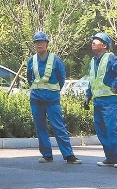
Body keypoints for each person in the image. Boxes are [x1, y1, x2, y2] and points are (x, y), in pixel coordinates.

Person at [26, 31, 80, 164]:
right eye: (36, 42)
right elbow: (29, 78)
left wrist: (53, 91)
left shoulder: (55, 59)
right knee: (40, 128)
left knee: (59, 127)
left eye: (41, 42)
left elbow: (61, 78)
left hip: (52, 100)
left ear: (46, 44)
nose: (39, 44)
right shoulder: (31, 60)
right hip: (36, 100)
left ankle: (69, 155)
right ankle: (46, 155)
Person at [84, 31, 117, 168]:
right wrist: (87, 96)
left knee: (111, 129)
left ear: (104, 45)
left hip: (110, 100)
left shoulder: (111, 58)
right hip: (98, 101)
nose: (93, 42)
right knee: (101, 131)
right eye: (93, 40)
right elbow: (92, 81)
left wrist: (116, 85)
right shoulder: (93, 61)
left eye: (96, 40)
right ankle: (110, 158)